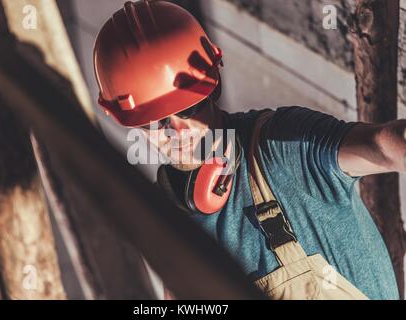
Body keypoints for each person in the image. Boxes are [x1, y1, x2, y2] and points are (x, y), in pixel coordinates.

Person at [93, 0, 405, 299]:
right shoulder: (168, 216)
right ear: (130, 123)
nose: (177, 132)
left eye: (189, 109)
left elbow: (382, 146)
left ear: (214, 86)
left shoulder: (282, 147)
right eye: (155, 122)